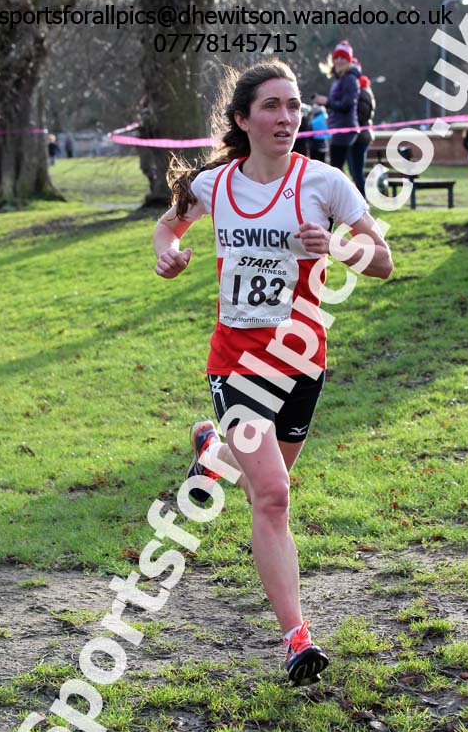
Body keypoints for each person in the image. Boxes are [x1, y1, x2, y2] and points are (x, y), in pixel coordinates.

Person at [153, 60, 393, 687]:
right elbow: (167, 225)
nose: (288, 117)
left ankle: (213, 447)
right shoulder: (212, 186)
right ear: (243, 119)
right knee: (275, 496)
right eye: (272, 107)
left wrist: (338, 248)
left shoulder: (327, 183)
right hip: (235, 359)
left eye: (293, 106)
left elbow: (385, 263)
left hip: (300, 359)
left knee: (272, 481)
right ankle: (296, 637)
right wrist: (167, 254)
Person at [314, 41, 360, 173]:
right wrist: (330, 115)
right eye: (337, 57)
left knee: (335, 170)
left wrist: (326, 101)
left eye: (343, 58)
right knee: (337, 170)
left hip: (345, 130)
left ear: (349, 60)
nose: (339, 61)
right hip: (337, 128)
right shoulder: (338, 79)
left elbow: (347, 105)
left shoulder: (350, 79)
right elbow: (338, 106)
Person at [347, 74, 376, 197]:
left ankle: (362, 200)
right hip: (357, 137)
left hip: (360, 137)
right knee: (355, 172)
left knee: (357, 172)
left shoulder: (362, 93)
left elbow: (362, 114)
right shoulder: (362, 92)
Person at [308, 96, 331, 162]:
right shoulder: (325, 116)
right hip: (324, 143)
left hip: (314, 145)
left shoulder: (314, 121)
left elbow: (309, 132)